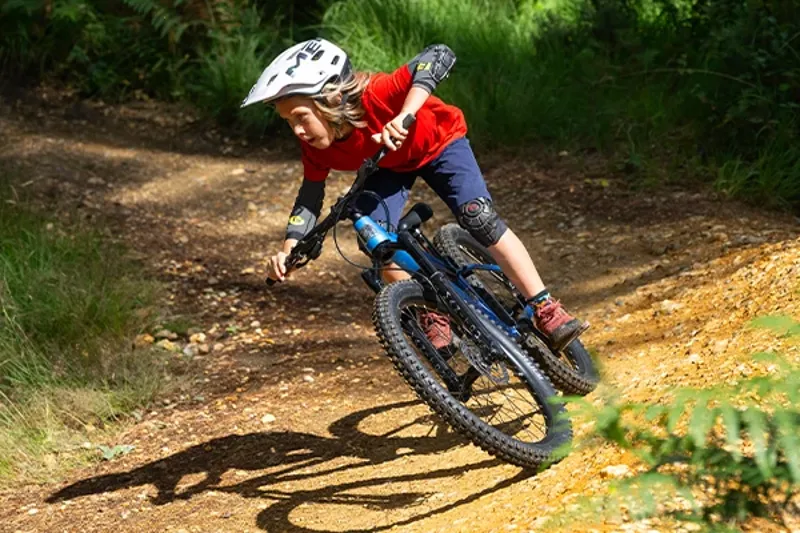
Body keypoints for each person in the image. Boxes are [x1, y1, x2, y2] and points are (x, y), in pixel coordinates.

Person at [242, 38, 588, 351]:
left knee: (477, 216)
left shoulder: (376, 93)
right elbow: (309, 196)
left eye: (301, 116)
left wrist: (405, 114)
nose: (298, 130)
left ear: (331, 98)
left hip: (440, 143)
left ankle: (545, 308)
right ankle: (433, 311)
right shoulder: (317, 148)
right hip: (388, 167)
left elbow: (438, 55)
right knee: (372, 235)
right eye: (289, 122)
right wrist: (290, 248)